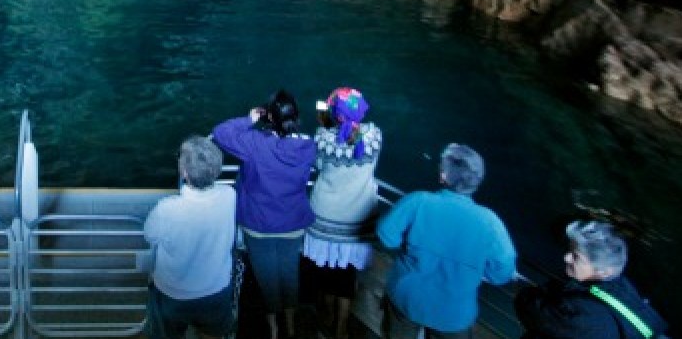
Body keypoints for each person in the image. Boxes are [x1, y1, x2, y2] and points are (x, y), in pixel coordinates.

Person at [376, 143, 516, 338]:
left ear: (443, 176)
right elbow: (501, 274)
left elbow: (386, 237)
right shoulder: (490, 222)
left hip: (407, 300)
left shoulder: (418, 201)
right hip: (453, 315)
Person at [212, 89, 316, 339]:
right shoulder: (307, 146)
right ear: (296, 118)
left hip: (258, 225)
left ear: (269, 116)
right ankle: (290, 326)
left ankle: (273, 330)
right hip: (293, 223)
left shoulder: (255, 143)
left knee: (266, 277)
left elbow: (220, 133)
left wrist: (249, 120)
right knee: (289, 273)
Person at [302, 87, 382, 339]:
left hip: (325, 219)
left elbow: (319, 164)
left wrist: (324, 123)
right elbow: (352, 137)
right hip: (356, 221)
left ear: (334, 115)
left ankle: (324, 316)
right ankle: (341, 327)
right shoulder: (374, 136)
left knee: (325, 271)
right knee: (346, 277)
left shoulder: (322, 138)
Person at [143, 135, 238, 339]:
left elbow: (150, 235)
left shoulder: (167, 209)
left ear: (184, 172)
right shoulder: (229, 196)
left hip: (173, 294)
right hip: (215, 290)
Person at [515, 220, 668, 338]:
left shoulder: (580, 316)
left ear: (603, 271)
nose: (566, 257)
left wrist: (539, 292)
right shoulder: (621, 288)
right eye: (570, 250)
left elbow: (528, 306)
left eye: (576, 257)